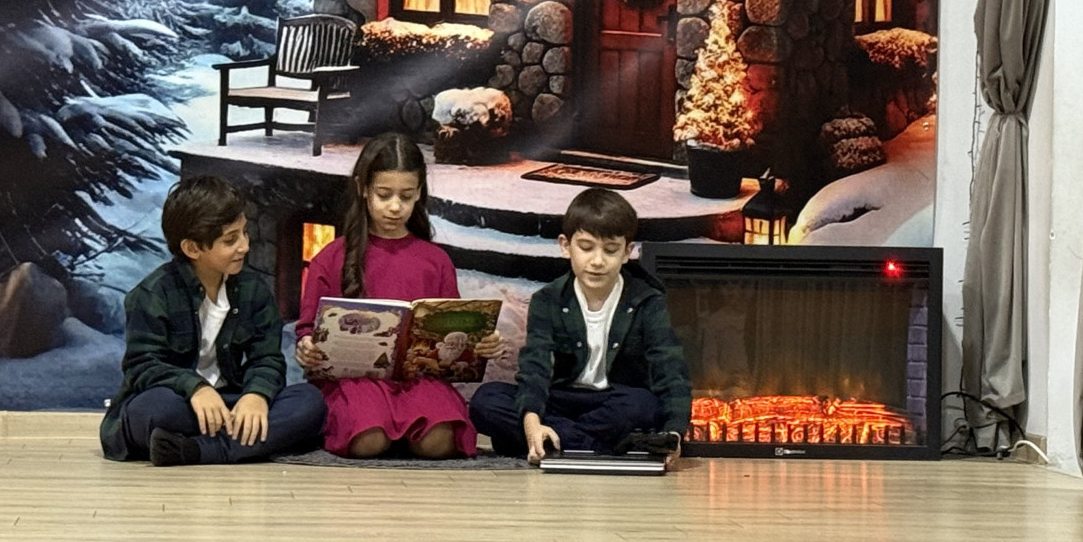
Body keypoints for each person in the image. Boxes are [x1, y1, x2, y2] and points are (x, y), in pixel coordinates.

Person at [295, 132, 503, 459]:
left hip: (418, 379)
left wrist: (480, 343)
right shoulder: (332, 257)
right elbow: (308, 328)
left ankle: (405, 427)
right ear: (363, 188)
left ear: (419, 192)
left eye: (406, 196)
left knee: (438, 443)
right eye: (384, 194)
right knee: (369, 440)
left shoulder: (435, 260)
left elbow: (453, 326)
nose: (395, 207)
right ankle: (388, 427)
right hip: (355, 380)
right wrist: (307, 346)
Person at [100, 175, 326, 465]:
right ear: (192, 248)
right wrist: (195, 388)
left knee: (310, 402)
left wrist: (256, 395)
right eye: (230, 240)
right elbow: (142, 366)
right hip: (180, 403)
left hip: (231, 402)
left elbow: (267, 359)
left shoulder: (254, 291)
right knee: (155, 411)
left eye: (245, 233)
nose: (244, 246)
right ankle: (243, 444)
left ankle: (197, 450)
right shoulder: (152, 294)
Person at [470, 187, 691, 465]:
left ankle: (548, 443)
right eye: (586, 248)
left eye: (610, 250)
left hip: (613, 402)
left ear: (627, 252)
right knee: (487, 400)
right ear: (566, 246)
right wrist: (531, 423)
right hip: (558, 399)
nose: (597, 261)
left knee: (643, 406)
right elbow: (536, 366)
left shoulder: (647, 301)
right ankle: (596, 446)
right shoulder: (548, 300)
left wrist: (674, 434)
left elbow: (670, 370)